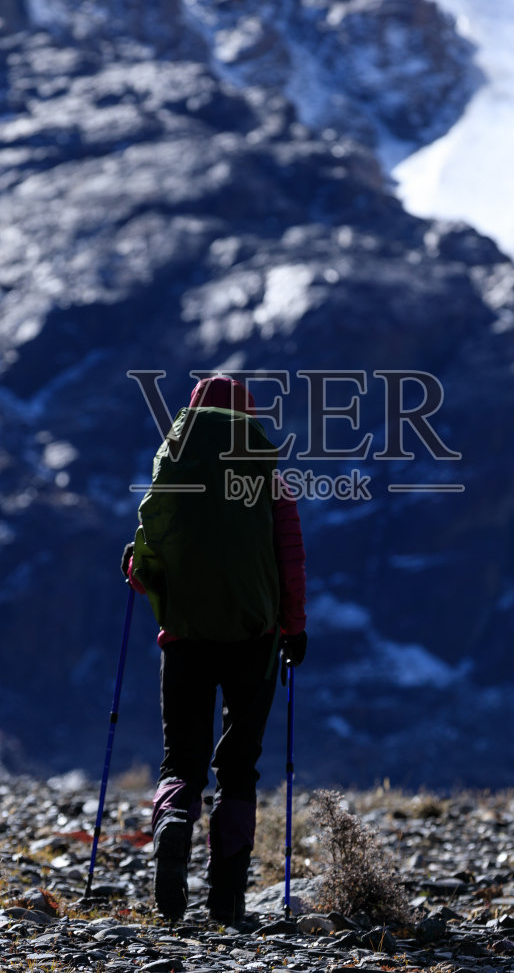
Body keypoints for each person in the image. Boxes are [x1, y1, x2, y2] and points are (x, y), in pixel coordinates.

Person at [121, 375, 307, 923]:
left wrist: (132, 569)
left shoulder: (173, 469)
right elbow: (290, 561)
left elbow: (149, 561)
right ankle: (228, 898)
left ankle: (174, 826)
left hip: (185, 637)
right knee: (239, 769)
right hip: (256, 639)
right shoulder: (269, 476)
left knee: (182, 759)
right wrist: (293, 630)